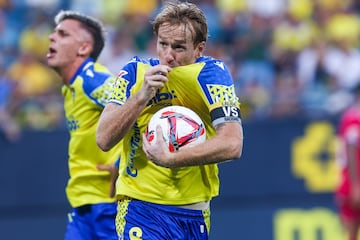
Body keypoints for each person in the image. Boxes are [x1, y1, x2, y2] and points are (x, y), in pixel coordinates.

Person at [96, 2, 243, 239]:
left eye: (178, 47)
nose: (168, 55)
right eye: (163, 44)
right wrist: (142, 95)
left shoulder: (211, 74)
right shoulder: (135, 72)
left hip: (196, 214)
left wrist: (172, 159)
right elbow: (103, 138)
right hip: (141, 209)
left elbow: (233, 143)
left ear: (199, 49)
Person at [46, 10, 122, 240]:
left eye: (62, 34)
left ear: (83, 48)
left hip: (108, 206)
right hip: (83, 204)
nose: (51, 37)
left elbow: (138, 111)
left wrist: (123, 163)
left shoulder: (92, 80)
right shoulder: (69, 87)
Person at [335, 83, 360, 240]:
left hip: (349, 182)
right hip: (352, 182)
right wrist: (356, 185)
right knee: (351, 232)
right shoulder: (353, 118)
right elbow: (351, 149)